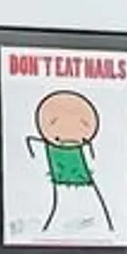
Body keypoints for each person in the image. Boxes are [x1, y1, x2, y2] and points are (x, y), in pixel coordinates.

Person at [28, 89, 114, 235]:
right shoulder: (44, 147)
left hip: (85, 186)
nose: (67, 131)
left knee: (93, 213)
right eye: (54, 122)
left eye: (83, 123)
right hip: (62, 188)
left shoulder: (87, 150)